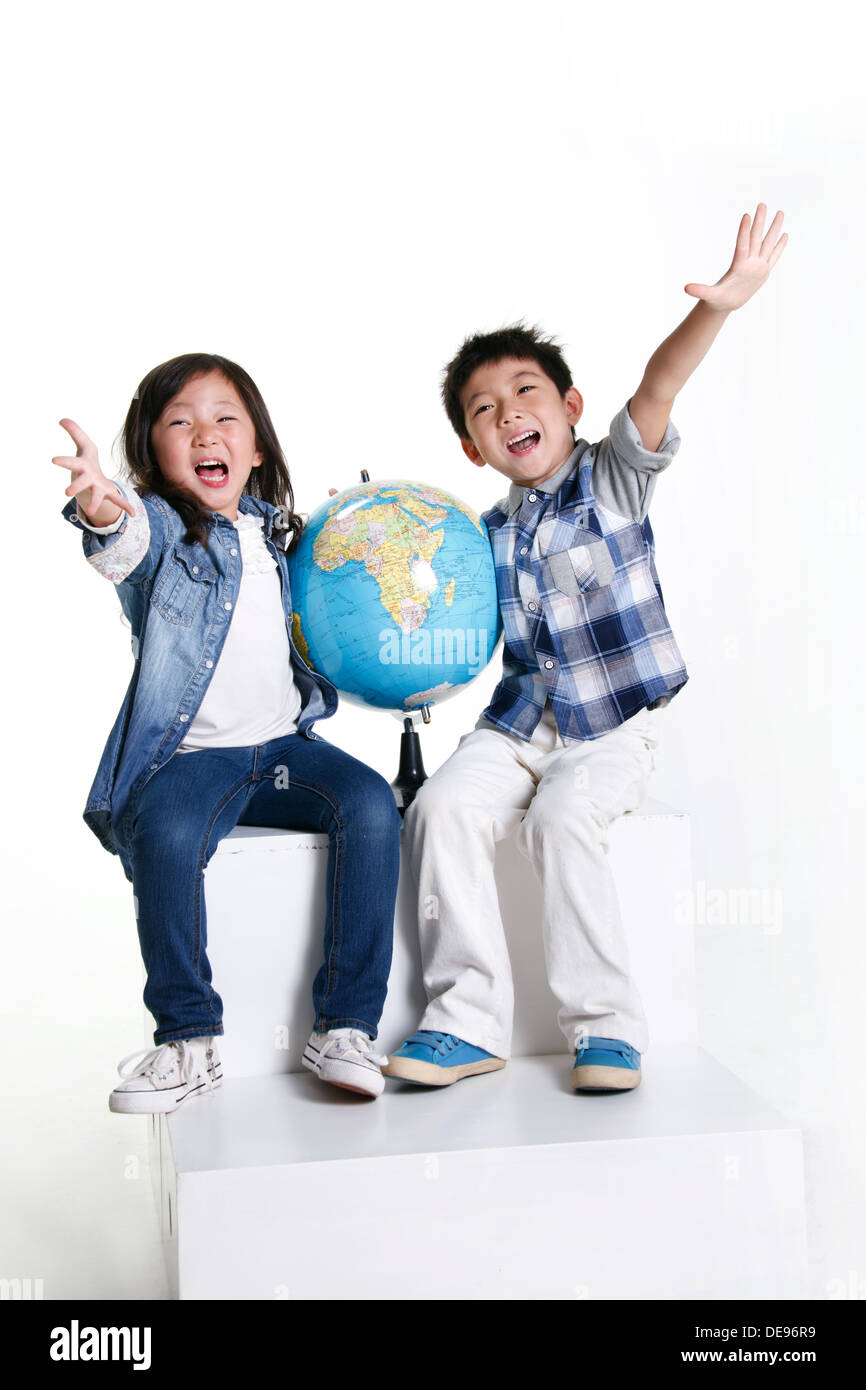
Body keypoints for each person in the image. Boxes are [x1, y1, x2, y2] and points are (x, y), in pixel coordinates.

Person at [385, 204, 787, 1093]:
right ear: (472, 446)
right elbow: (418, 588)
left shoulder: (612, 479)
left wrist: (717, 307)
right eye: (484, 410)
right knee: (439, 810)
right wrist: (364, 528)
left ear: (568, 405)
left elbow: (658, 388)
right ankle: (465, 1021)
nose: (508, 413)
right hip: (520, 726)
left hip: (609, 730)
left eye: (526, 392)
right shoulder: (482, 531)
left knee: (564, 822)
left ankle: (604, 1026)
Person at [55, 353, 401, 1110]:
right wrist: (100, 503)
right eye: (179, 422)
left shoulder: (272, 533)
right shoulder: (165, 539)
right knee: (168, 839)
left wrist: (352, 535)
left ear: (257, 448)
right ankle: (186, 1039)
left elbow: (325, 591)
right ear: (153, 454)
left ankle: (344, 1026)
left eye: (224, 418)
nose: (203, 431)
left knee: (372, 806)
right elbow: (122, 538)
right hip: (195, 758)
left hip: (282, 749)